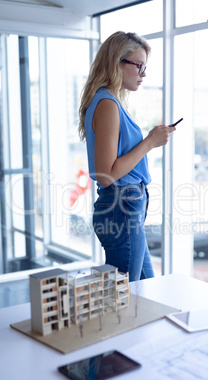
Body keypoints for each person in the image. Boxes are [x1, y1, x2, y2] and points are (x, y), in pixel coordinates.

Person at [78, 31, 176, 281]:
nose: (143, 74)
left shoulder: (107, 101)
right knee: (126, 297)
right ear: (117, 63)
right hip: (122, 206)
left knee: (144, 289)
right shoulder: (107, 104)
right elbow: (108, 174)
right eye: (139, 66)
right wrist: (150, 143)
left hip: (124, 206)